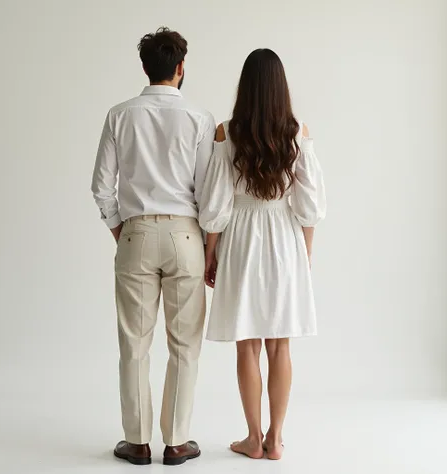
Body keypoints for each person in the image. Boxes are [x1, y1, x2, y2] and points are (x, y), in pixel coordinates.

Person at [91, 27, 215, 466]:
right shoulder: (200, 119)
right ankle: (177, 442)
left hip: (136, 234)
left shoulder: (119, 115)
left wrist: (121, 230)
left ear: (145, 67)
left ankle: (137, 441)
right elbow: (208, 192)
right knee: (185, 345)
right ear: (180, 68)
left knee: (134, 343)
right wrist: (208, 243)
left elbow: (102, 187)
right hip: (187, 235)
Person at [199, 49, 326, 461]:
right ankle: (276, 438)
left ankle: (253, 438)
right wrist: (304, 255)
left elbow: (216, 204)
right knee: (280, 346)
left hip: (242, 238)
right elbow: (310, 206)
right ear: (280, 87)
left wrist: (210, 253)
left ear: (246, 87)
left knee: (247, 345)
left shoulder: (226, 132)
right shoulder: (297, 132)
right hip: (285, 238)